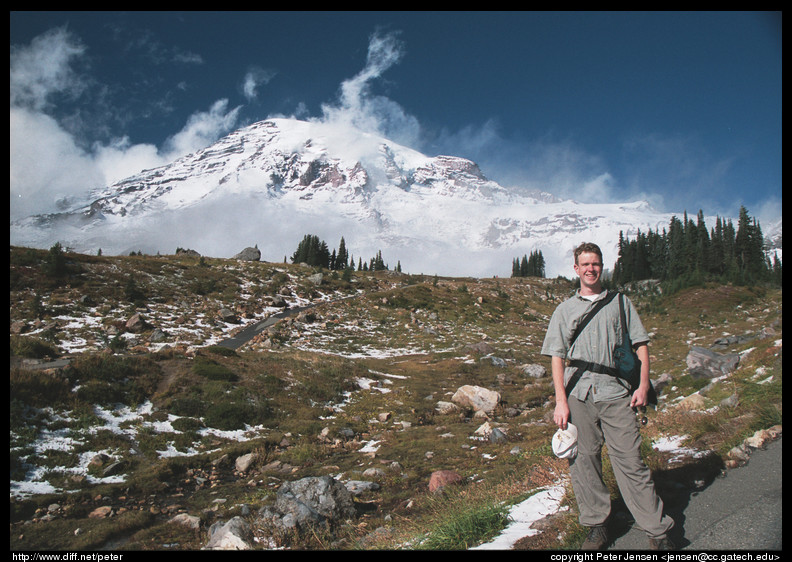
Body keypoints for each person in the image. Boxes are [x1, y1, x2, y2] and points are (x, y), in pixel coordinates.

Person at [541, 242, 674, 550]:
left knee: (631, 461)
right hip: (579, 394)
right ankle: (597, 526)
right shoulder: (564, 310)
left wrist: (642, 386)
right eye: (585, 264)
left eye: (595, 264)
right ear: (576, 269)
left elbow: (641, 345)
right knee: (583, 462)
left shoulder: (620, 303)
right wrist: (561, 401)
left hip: (617, 393)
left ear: (602, 267)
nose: (591, 269)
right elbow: (557, 358)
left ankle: (657, 530)